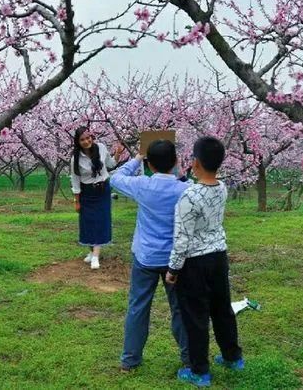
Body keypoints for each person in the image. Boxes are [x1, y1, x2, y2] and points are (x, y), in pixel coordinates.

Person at [166, 136, 243, 387]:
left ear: (195, 162)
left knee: (196, 317)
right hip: (218, 257)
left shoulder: (188, 197)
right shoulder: (222, 187)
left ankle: (200, 372)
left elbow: (182, 238)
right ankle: (233, 357)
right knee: (222, 310)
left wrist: (173, 269)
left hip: (194, 263)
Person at [110, 140, 190, 372]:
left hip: (145, 256)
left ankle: (130, 360)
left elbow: (115, 177)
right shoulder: (185, 189)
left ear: (149, 165)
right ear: (176, 162)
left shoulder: (142, 185)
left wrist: (136, 158)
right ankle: (189, 358)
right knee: (180, 309)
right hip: (175, 260)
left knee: (138, 307)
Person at [70, 127, 121, 270]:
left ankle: (96, 256)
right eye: (82, 140)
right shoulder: (76, 159)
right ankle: (91, 252)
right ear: (78, 142)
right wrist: (77, 201)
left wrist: (117, 154)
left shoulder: (102, 148)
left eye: (88, 138)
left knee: (100, 221)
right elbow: (75, 181)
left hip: (103, 190)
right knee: (88, 222)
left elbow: (111, 165)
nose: (86, 141)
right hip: (87, 192)